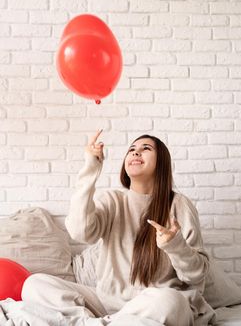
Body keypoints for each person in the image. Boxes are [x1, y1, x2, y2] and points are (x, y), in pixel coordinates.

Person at [22, 130, 215, 326]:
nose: (135, 152)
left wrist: (175, 246)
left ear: (162, 162)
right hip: (106, 304)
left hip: (152, 305)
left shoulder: (180, 205)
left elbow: (196, 274)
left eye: (145, 148)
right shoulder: (113, 201)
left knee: (171, 302)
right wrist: (91, 168)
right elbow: (79, 231)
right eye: (131, 149)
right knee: (35, 284)